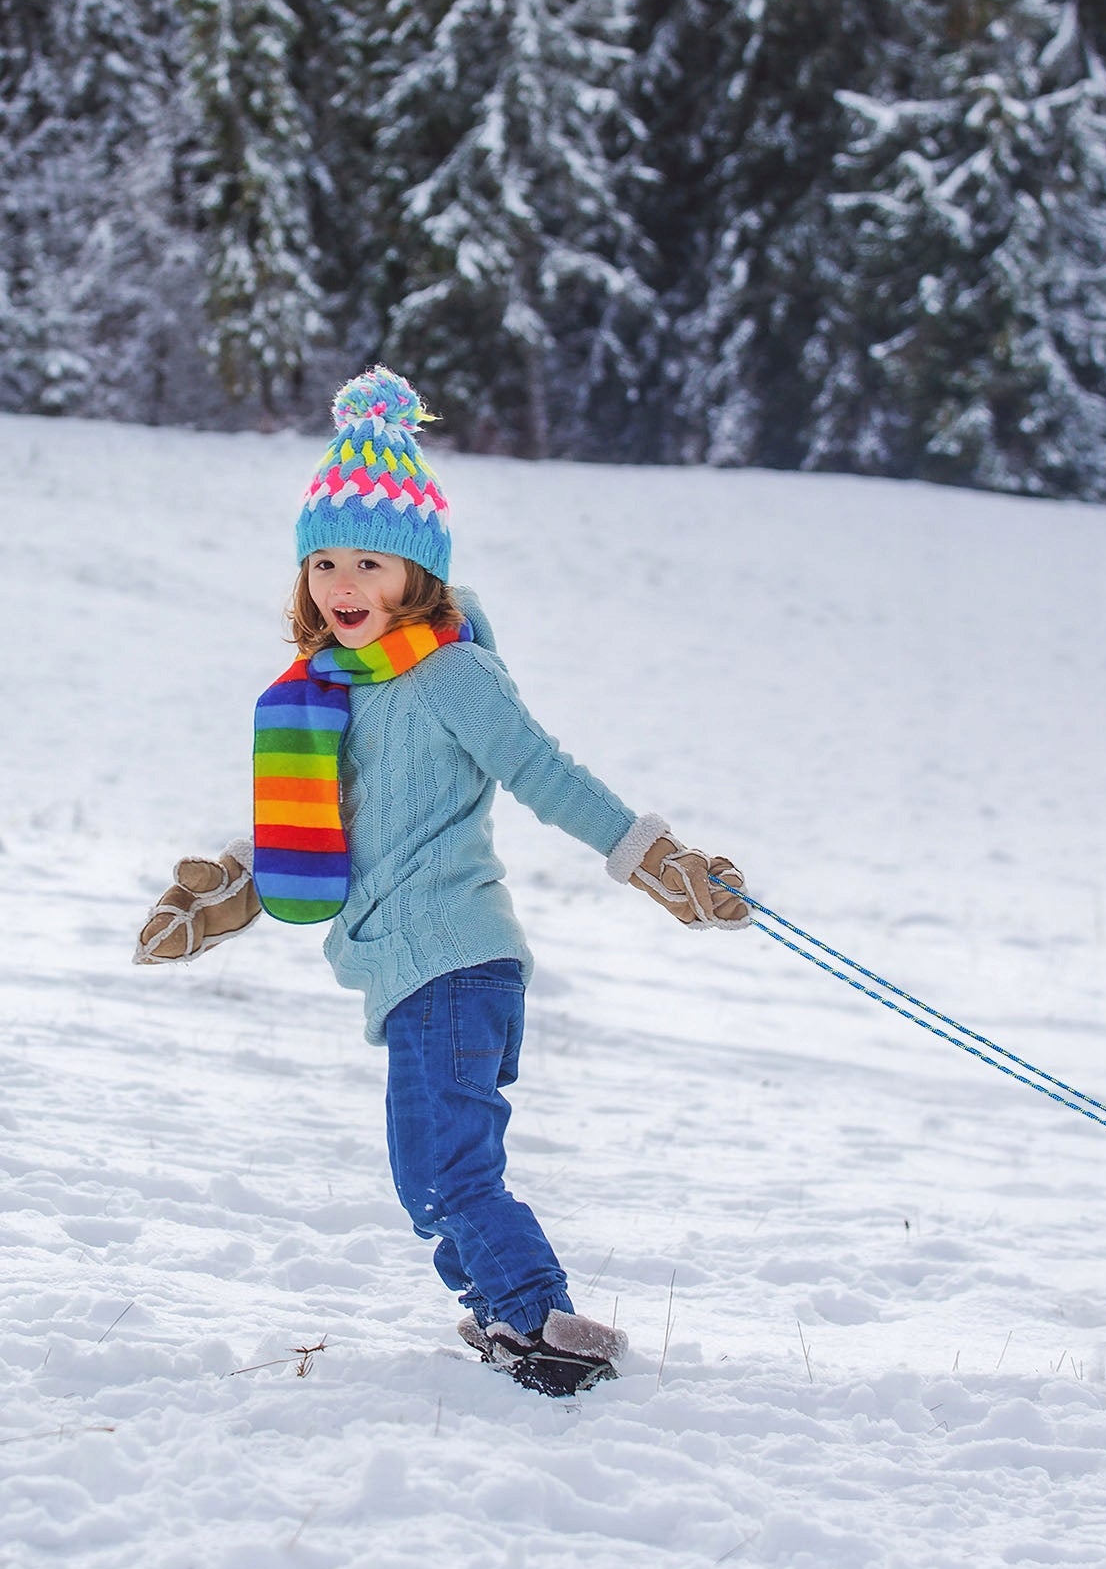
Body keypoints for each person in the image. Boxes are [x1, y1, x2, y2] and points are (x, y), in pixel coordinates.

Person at [134, 367, 748, 1396]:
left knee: (446, 1167)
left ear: (415, 574)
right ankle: (504, 1312)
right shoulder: (338, 690)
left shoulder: (449, 671)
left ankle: (543, 1321)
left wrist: (655, 858)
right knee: (424, 1175)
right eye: (324, 558)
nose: (342, 579)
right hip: (411, 974)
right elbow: (324, 826)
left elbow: (544, 771)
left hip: (457, 963)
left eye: (368, 559)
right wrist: (227, 891)